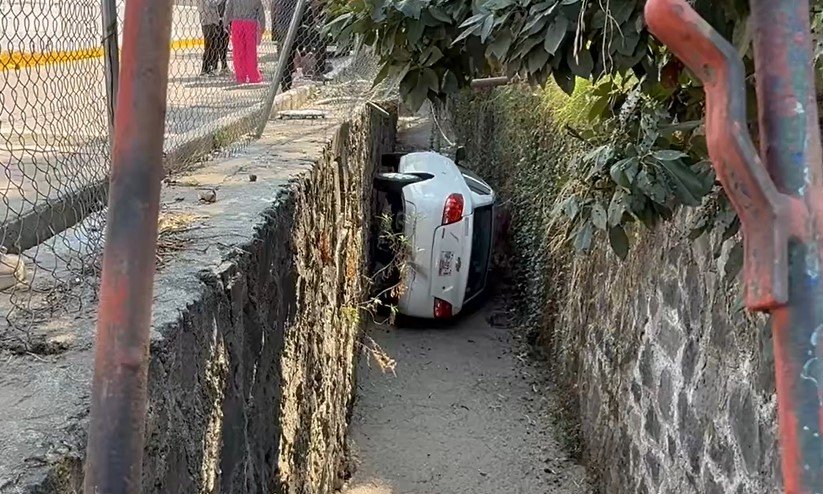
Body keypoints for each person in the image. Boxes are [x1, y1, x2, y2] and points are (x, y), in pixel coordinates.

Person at [224, 0, 266, 84]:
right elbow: (261, 12)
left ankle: (240, 76)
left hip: (237, 23)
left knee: (238, 51)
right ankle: (253, 75)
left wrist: (225, 23)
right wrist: (262, 26)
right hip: (250, 23)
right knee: (251, 51)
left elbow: (228, 9)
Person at [197, 0, 223, 76]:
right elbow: (211, 4)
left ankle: (211, 67)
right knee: (209, 46)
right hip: (208, 22)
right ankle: (205, 68)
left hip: (212, 21)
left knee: (213, 46)